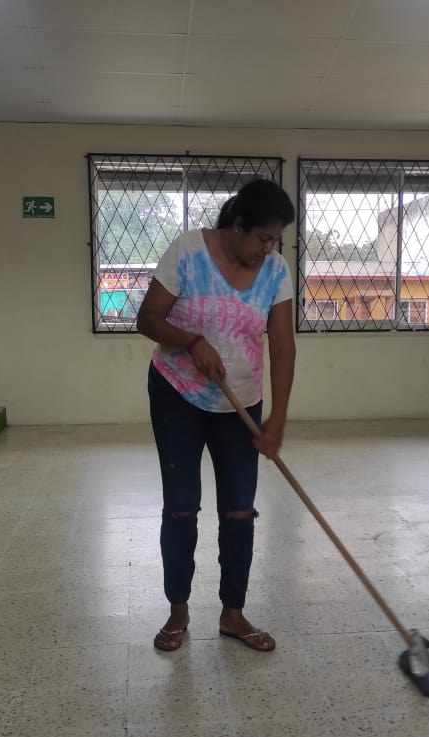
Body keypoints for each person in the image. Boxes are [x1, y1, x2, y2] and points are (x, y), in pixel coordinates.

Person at [136, 178, 297, 653]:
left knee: (240, 510)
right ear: (238, 225)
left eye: (275, 240)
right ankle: (178, 610)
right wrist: (191, 342)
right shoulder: (189, 251)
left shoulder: (276, 271)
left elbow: (283, 347)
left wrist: (277, 420)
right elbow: (147, 318)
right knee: (181, 506)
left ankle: (233, 613)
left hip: (241, 403)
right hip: (177, 394)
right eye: (263, 237)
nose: (269, 249)